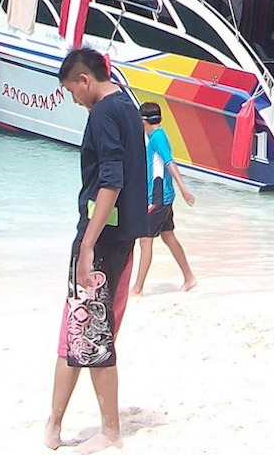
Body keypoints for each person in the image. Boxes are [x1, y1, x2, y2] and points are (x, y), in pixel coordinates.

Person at [45, 47, 149, 454]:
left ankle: (110, 431)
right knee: (78, 333)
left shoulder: (104, 113)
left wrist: (87, 243)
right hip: (120, 238)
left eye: (71, 90)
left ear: (84, 80)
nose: (73, 99)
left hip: (102, 240)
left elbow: (111, 180)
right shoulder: (126, 103)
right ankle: (54, 424)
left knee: (91, 335)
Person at [132, 102, 197, 294]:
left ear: (143, 122)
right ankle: (189, 278)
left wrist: (184, 188)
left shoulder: (156, 138)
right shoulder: (159, 135)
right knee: (168, 237)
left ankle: (137, 289)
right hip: (164, 197)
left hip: (158, 199)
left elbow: (169, 163)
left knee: (145, 240)